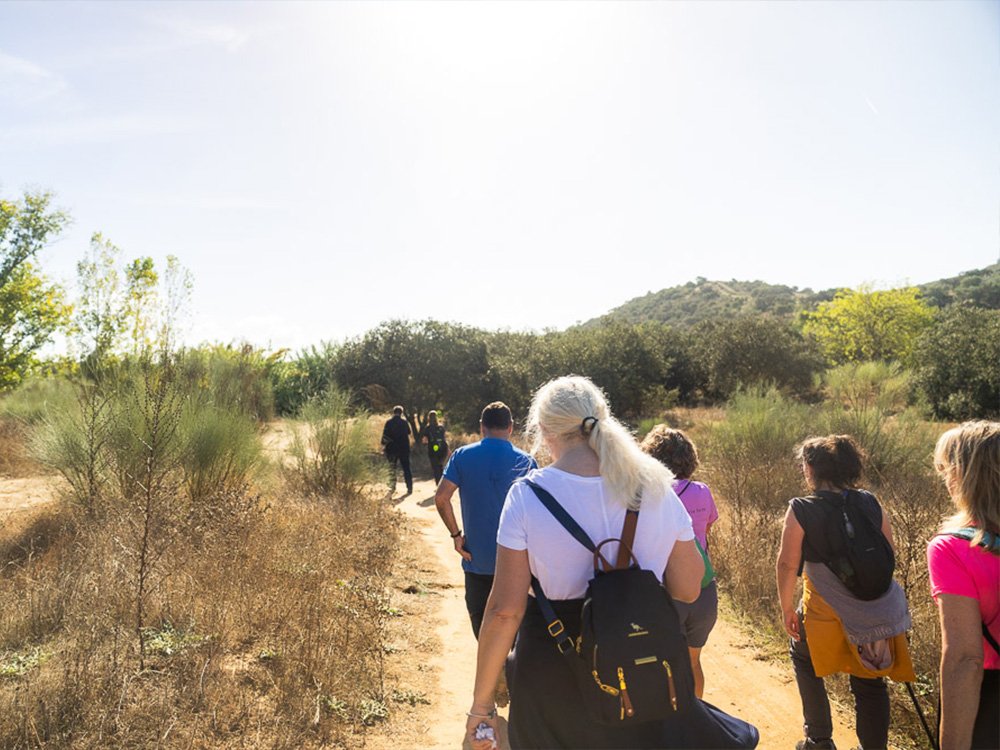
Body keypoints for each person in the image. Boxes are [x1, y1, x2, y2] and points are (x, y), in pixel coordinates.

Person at [466, 376, 705, 749]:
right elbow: (689, 587)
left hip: (553, 674)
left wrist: (482, 708)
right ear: (603, 419)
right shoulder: (657, 486)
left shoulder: (527, 496)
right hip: (639, 674)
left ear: (545, 431)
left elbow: (503, 613)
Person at [776, 435, 914, 750]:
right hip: (872, 615)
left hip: (823, 613)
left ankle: (819, 740)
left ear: (810, 468)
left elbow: (786, 565)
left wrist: (787, 610)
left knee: (802, 655)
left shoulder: (801, 508)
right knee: (870, 684)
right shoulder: (869, 502)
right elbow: (888, 554)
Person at [434, 401, 536, 639]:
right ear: (510, 427)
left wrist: (456, 536)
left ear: (482, 427)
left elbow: (441, 498)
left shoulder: (461, 456)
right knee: (516, 632)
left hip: (476, 560)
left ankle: (493, 670)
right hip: (516, 564)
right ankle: (509, 669)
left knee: (483, 631)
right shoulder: (527, 463)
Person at [927, 421, 1000, 750]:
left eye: (947, 468)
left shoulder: (953, 549)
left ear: (963, 475)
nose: (945, 477)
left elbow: (965, 659)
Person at [641, 425, 719, 698]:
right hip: (703, 586)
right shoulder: (703, 491)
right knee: (693, 661)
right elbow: (706, 530)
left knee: (660, 664)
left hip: (665, 590)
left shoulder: (650, 494)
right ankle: (695, 719)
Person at [381, 405, 413, 496]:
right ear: (401, 413)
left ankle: (392, 486)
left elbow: (385, 436)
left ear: (393, 412)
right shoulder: (404, 422)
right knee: (406, 468)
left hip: (392, 449)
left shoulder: (389, 423)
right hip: (404, 449)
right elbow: (409, 432)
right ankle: (409, 487)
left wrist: (384, 445)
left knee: (392, 468)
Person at [421, 410, 449, 484]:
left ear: (429, 418)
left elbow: (424, 440)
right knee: (440, 466)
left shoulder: (428, 428)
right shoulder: (441, 427)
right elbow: (444, 438)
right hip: (442, 448)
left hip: (433, 448)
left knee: (435, 467)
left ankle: (438, 484)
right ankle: (442, 482)